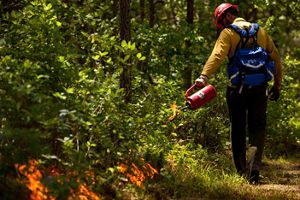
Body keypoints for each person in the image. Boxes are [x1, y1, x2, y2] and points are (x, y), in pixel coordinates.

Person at [195, 3, 282, 184]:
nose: (222, 24)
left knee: (238, 129)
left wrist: (204, 77)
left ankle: (242, 171)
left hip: (238, 90)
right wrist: (277, 85)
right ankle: (254, 167)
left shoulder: (228, 33)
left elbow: (218, 55)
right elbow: (275, 57)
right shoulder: (261, 32)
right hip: (260, 88)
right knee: (257, 128)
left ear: (227, 16)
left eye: (221, 21)